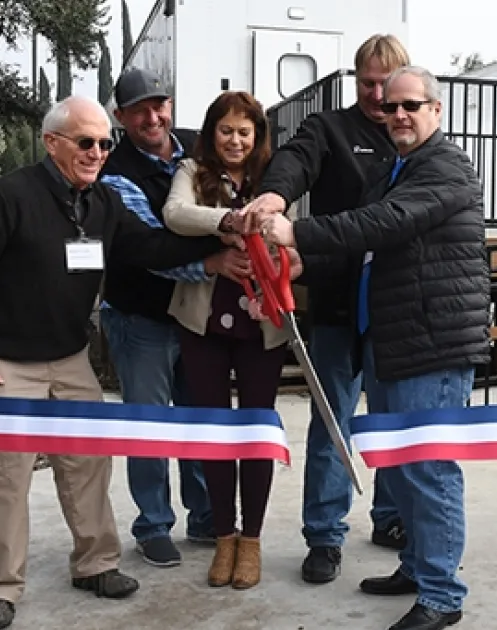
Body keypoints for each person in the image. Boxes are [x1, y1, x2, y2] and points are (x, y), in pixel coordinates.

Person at [0, 95, 226, 630]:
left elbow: (150, 249)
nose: (98, 152)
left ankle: (96, 565)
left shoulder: (102, 203)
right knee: (2, 479)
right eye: (85, 142)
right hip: (4, 365)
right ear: (52, 143)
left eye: (105, 143)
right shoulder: (3, 198)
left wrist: (219, 244)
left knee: (88, 466)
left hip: (70, 360)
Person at [261, 66, 489, 630]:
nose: (399, 115)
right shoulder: (396, 168)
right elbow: (364, 251)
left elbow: (385, 223)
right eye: (391, 107)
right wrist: (303, 262)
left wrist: (297, 232)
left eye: (412, 105)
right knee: (402, 466)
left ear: (436, 110)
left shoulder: (445, 167)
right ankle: (417, 567)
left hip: (430, 345)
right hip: (391, 341)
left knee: (428, 470)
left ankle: (442, 596)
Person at [244, 33, 412, 584]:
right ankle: (324, 535)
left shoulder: (414, 140)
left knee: (392, 422)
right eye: (367, 83)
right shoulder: (329, 128)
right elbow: (295, 159)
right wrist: (276, 196)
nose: (377, 96)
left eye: (387, 85)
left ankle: (391, 517)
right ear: (355, 79)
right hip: (337, 301)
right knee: (331, 418)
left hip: (391, 306)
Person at [161, 90, 293, 590]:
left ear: (258, 136)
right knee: (214, 434)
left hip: (263, 323)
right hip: (204, 323)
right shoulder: (191, 172)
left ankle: (251, 540)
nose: (234, 141)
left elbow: (293, 234)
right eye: (225, 130)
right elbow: (175, 213)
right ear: (210, 133)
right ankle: (223, 536)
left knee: (257, 434)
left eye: (244, 131)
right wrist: (227, 222)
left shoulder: (274, 181)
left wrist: (277, 257)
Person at [96, 67, 216, 568]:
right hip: (140, 317)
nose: (153, 117)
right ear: (120, 117)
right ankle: (153, 525)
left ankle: (206, 517)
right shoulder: (113, 172)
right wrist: (216, 253)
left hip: (195, 316)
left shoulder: (198, 148)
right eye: (139, 110)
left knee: (199, 419)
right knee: (149, 425)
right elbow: (148, 245)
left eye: (159, 105)